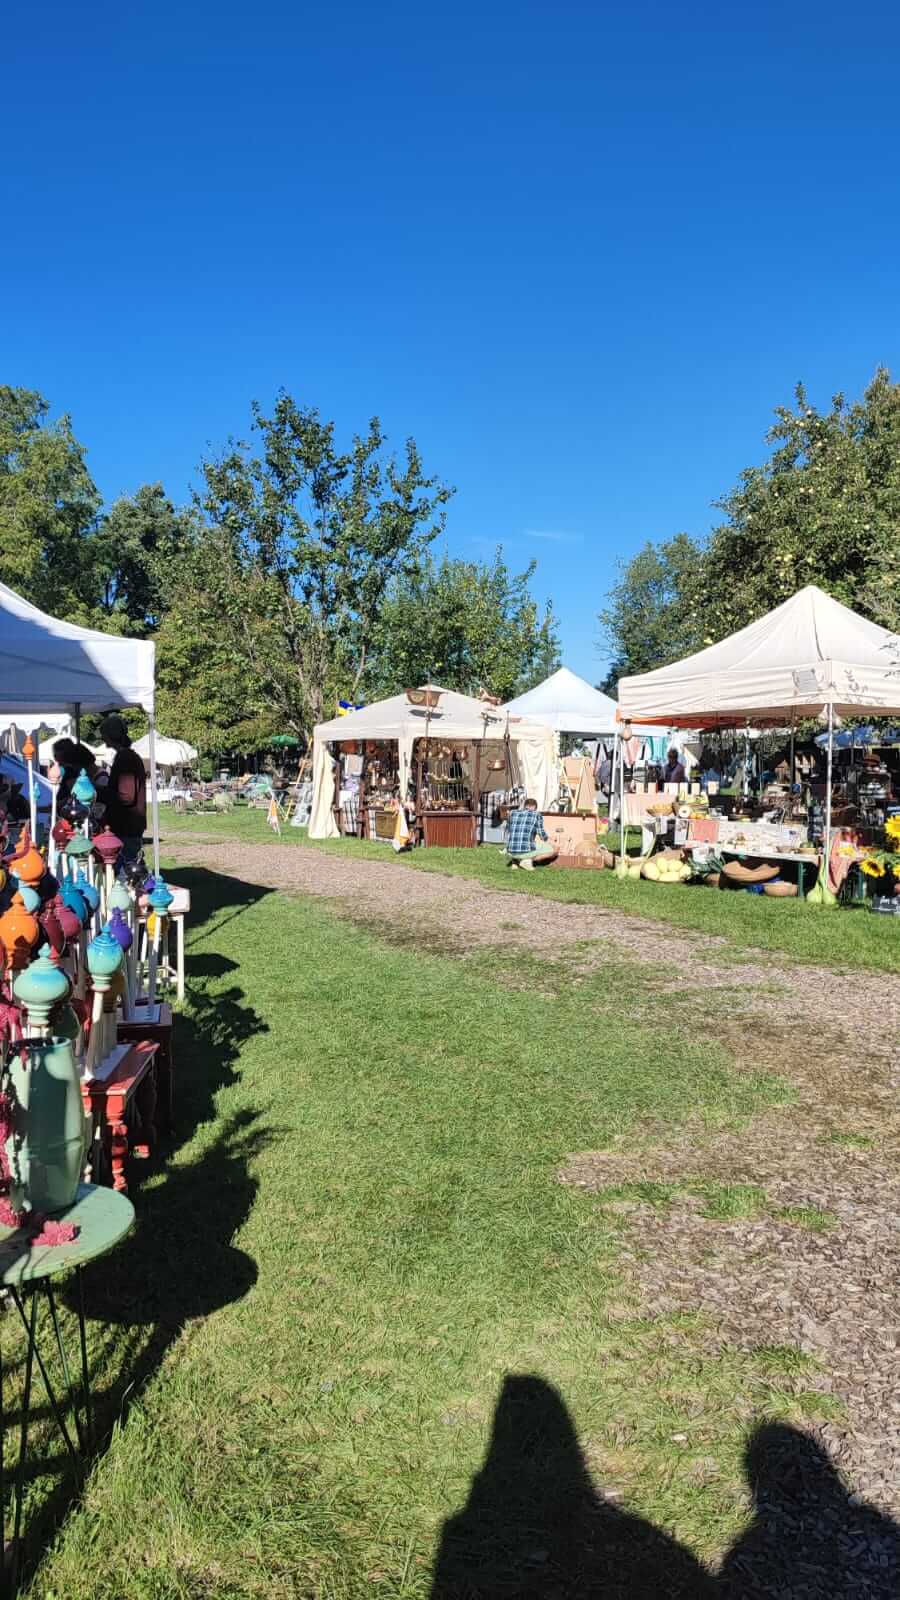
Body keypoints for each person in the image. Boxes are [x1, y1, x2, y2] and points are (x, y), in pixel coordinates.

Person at [98, 714, 147, 864]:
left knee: (127, 874)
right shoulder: (126, 757)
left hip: (126, 828)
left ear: (110, 736)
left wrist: (98, 791)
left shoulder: (125, 758)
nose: (103, 740)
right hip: (127, 826)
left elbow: (126, 796)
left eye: (104, 736)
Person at [504, 797, 551, 870]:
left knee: (520, 838)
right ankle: (527, 861)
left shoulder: (512, 813)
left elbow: (508, 829)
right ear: (534, 807)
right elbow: (541, 834)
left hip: (510, 850)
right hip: (525, 850)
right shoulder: (537, 814)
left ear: (525, 805)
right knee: (553, 850)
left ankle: (515, 862)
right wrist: (548, 840)